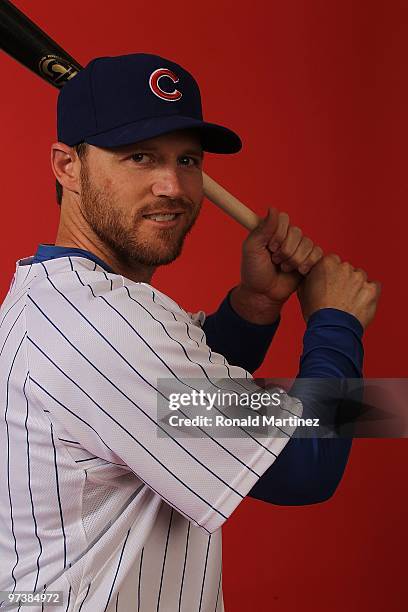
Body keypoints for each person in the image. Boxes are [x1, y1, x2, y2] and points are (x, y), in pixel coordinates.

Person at [0, 53, 381, 611]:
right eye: (139, 157)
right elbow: (304, 467)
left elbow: (175, 408)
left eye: (187, 160)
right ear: (67, 167)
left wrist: (254, 305)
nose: (172, 186)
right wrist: (336, 323)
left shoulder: (76, 302)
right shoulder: (101, 329)